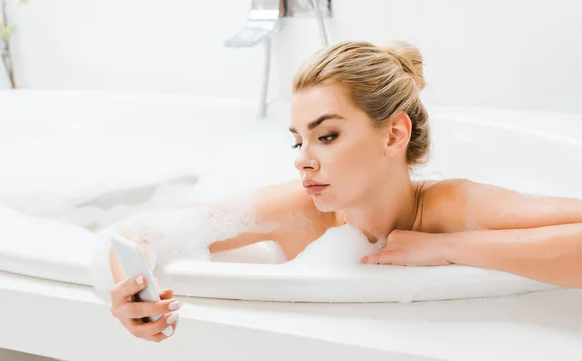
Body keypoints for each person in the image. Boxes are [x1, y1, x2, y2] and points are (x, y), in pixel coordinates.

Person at [105, 40, 582, 342]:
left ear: (395, 135)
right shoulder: (300, 210)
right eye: (297, 139)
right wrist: (133, 296)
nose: (302, 158)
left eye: (326, 135)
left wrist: (448, 246)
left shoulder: (451, 204)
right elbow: (142, 232)